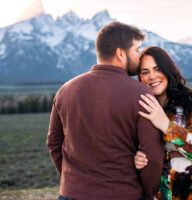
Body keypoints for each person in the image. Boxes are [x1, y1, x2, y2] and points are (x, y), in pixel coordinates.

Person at [46, 22, 165, 200]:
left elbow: (54, 144)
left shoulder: (66, 90)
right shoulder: (140, 93)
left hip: (71, 195)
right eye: (137, 50)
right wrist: (146, 194)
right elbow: (152, 156)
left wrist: (72, 182)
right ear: (120, 53)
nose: (139, 56)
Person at [134, 46, 192, 200]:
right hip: (164, 193)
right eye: (145, 72)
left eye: (157, 69)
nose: (152, 76)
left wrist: (167, 126)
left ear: (168, 70)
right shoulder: (144, 108)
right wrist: (138, 158)